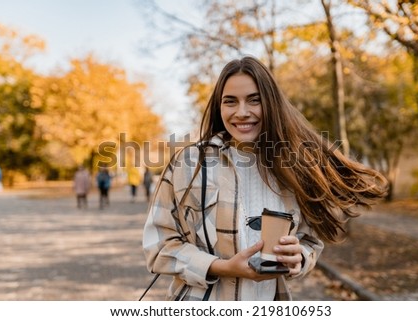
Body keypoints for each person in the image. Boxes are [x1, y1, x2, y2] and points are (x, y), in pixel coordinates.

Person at [142, 56, 388, 300]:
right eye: (230, 101)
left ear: (271, 103)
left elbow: (310, 241)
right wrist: (221, 267)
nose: (242, 112)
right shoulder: (188, 164)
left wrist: (298, 257)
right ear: (219, 107)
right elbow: (159, 246)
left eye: (254, 100)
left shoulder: (296, 165)